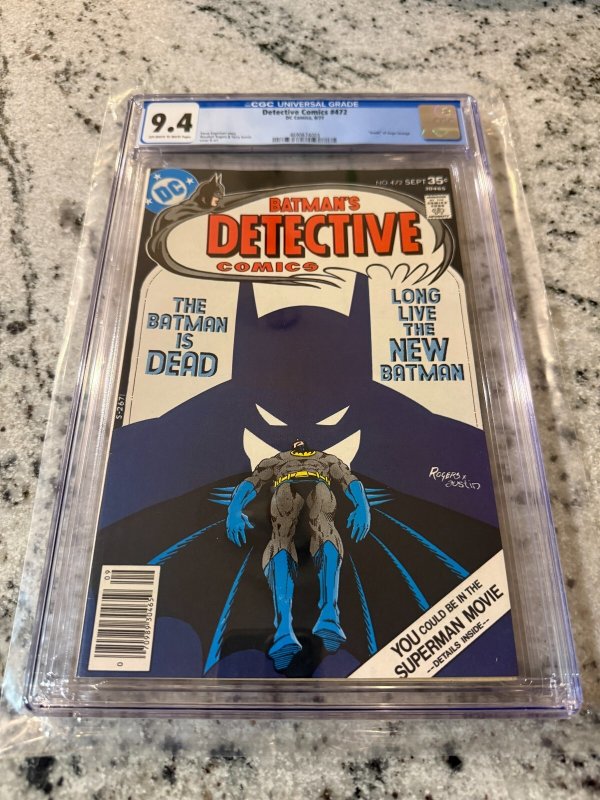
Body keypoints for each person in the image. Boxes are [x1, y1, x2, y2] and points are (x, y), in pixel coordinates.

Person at [226, 439, 370, 670]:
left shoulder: (317, 459)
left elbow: (348, 479)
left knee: (306, 534)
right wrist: (234, 509)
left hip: (310, 488)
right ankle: (312, 620)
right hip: (293, 489)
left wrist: (362, 506)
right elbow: (252, 482)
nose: (299, 443)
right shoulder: (285, 460)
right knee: (295, 536)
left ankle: (309, 621)